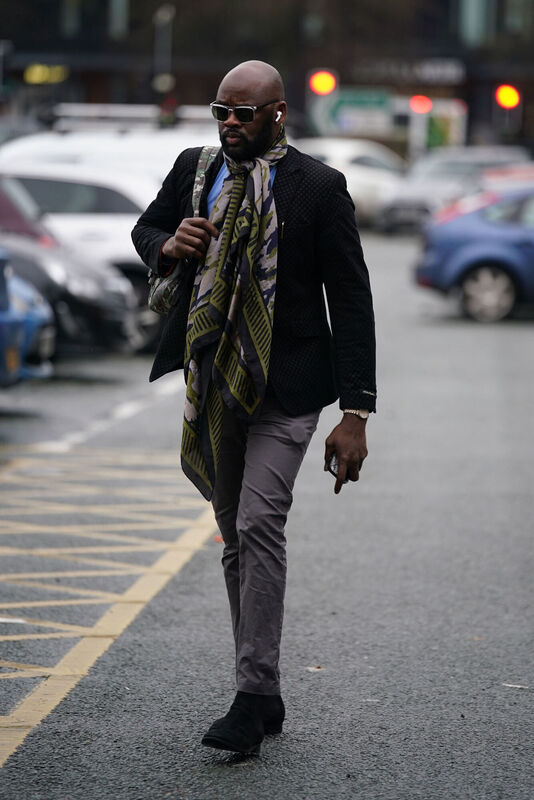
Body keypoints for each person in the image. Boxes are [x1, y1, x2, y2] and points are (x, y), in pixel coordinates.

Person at [131, 60, 376, 756]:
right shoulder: (195, 167)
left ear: (278, 113)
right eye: (221, 111)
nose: (230, 123)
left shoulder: (320, 187)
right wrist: (168, 246)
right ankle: (264, 692)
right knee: (235, 536)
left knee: (259, 523)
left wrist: (355, 413)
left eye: (244, 112)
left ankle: (248, 693)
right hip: (215, 382)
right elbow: (147, 233)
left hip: (289, 386)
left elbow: (351, 302)